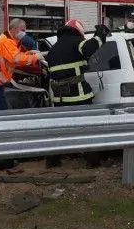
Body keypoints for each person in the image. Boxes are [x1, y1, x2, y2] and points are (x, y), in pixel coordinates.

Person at [44, 19, 109, 167]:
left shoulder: (54, 48)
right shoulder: (76, 42)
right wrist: (100, 35)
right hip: (79, 94)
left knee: (60, 128)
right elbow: (88, 49)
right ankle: (92, 161)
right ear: (78, 31)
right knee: (87, 126)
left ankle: (52, 160)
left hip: (59, 97)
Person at [0, 18, 40, 111]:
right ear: (16, 28)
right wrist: (35, 57)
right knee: (2, 111)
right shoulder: (7, 40)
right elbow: (15, 59)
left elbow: (14, 56)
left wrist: (28, 53)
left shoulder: (12, 40)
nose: (25, 33)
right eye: (23, 30)